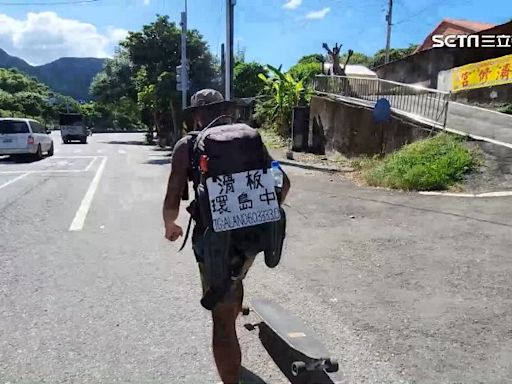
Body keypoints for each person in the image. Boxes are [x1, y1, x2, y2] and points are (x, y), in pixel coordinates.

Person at [162, 89, 290, 384]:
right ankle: (233, 305)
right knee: (236, 278)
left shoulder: (188, 145)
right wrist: (258, 212)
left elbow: (172, 197)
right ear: (227, 112)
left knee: (221, 318)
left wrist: (171, 225)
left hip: (215, 240)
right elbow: (282, 184)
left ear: (196, 116)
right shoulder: (250, 139)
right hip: (254, 238)